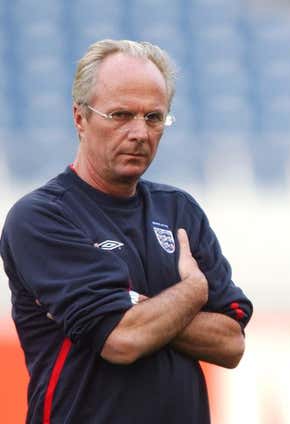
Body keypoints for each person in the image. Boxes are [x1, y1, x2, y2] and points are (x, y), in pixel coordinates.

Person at [0, 40, 252, 423]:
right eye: (120, 115)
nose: (140, 133)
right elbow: (122, 340)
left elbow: (231, 343)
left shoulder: (180, 211)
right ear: (80, 118)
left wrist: (136, 307)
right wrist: (190, 293)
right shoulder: (42, 218)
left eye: (154, 118)